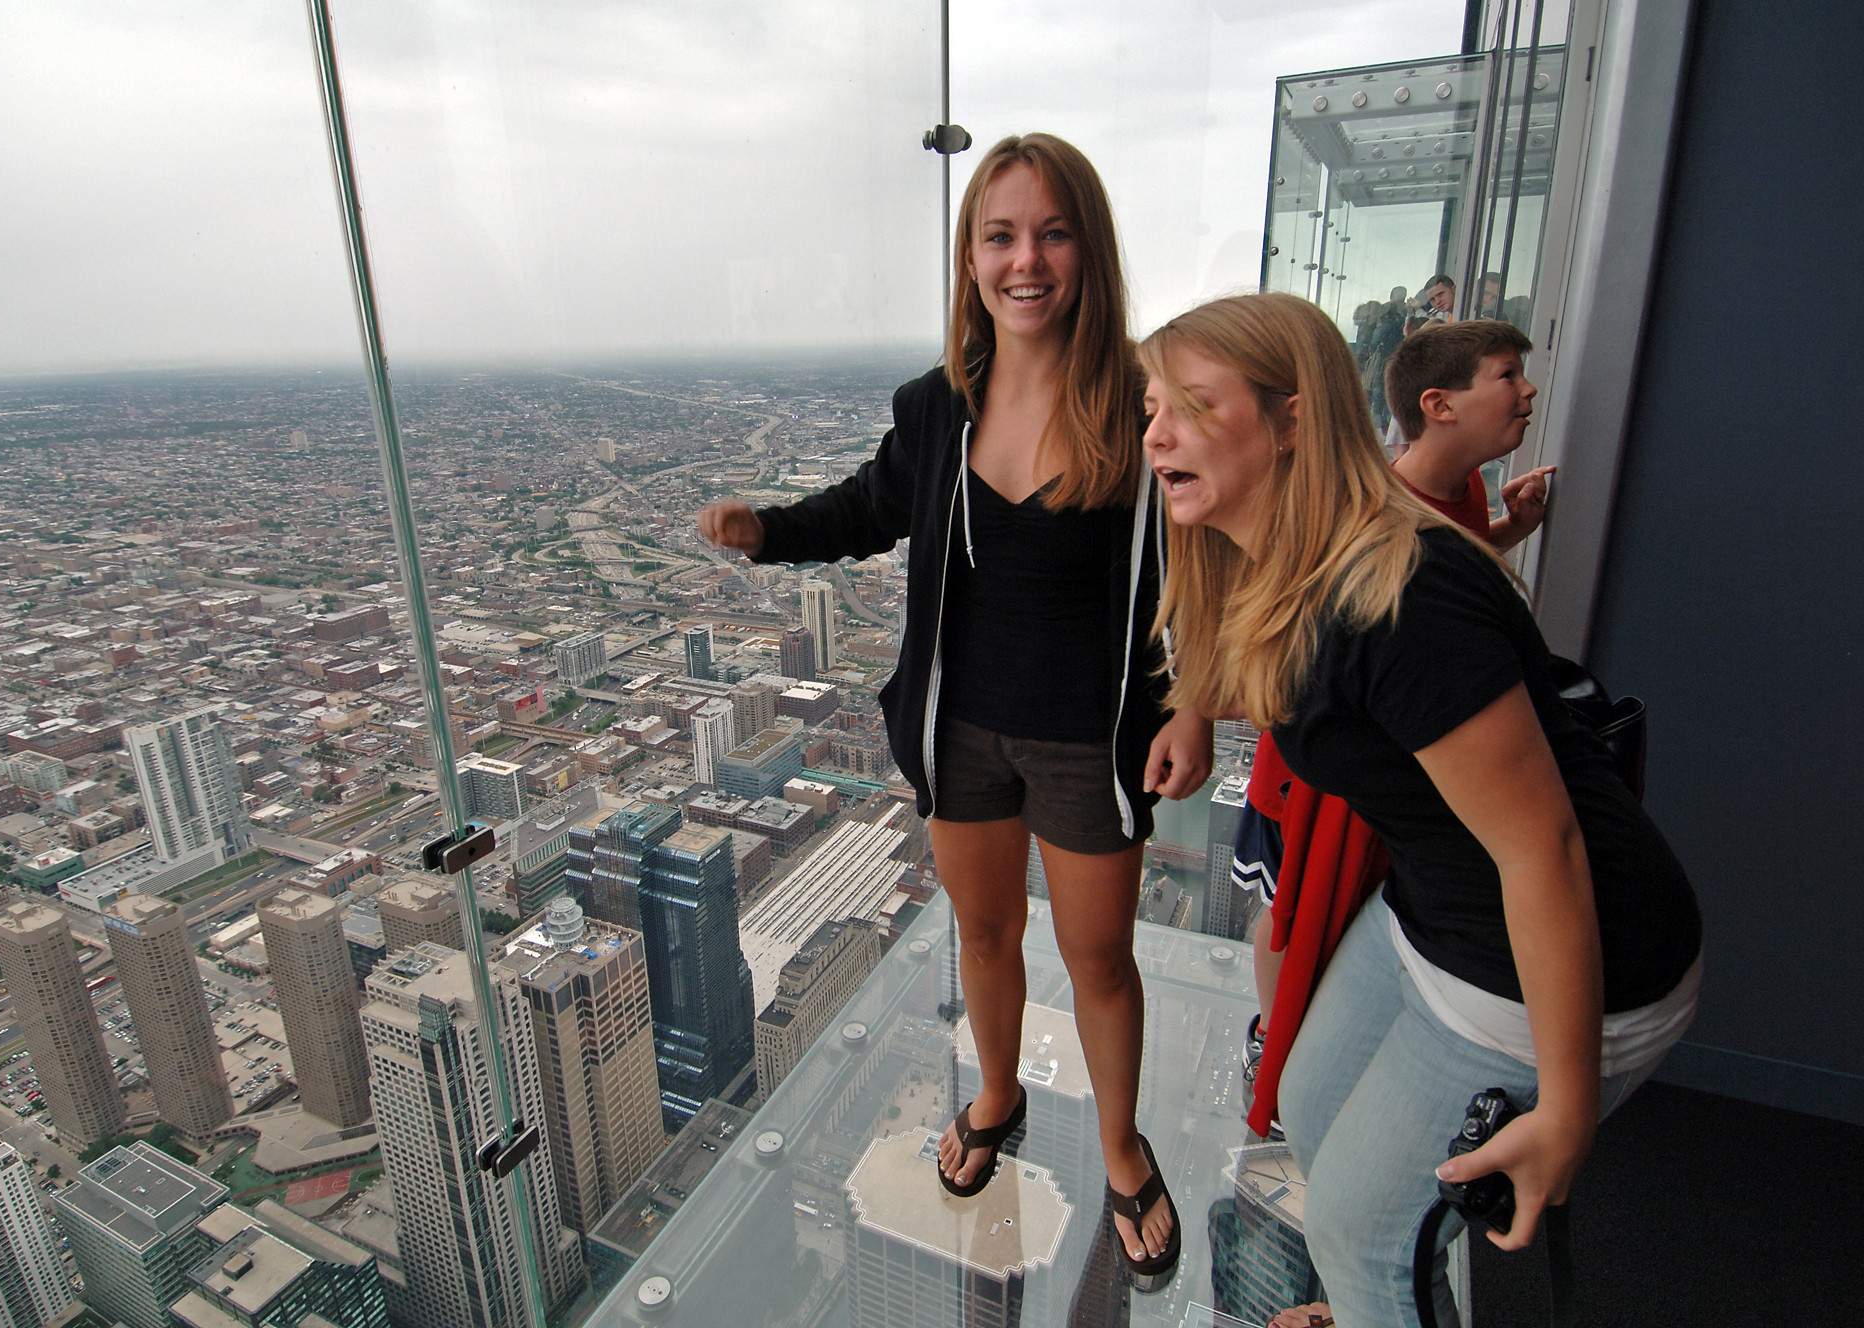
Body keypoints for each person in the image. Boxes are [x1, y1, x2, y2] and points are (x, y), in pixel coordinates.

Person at [697, 132, 1210, 1279]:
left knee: (1099, 962)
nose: (1025, 259)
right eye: (999, 235)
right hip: (959, 730)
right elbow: (873, 504)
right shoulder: (938, 407)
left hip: (1092, 736)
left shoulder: (1140, 400)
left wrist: (1198, 704)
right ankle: (993, 1091)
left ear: (1088, 247)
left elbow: (1212, 557)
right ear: (970, 260)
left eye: (1050, 231)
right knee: (982, 933)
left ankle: (1122, 1149)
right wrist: (769, 531)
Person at [1141, 292, 1702, 1326]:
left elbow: (1544, 847)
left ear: (1293, 420)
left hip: (1558, 952)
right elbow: (1289, 673)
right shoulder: (1287, 565)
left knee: (1359, 1230)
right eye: (1150, 406)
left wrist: (1568, 1110)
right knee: (1306, 1108)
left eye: (1188, 403)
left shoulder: (1397, 598)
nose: (1155, 433)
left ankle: (1372, 1295)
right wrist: (1184, 707)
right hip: (1434, 908)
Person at [1385, 318, 1557, 550]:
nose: (1530, 389)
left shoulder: (1467, 479)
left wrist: (1517, 525)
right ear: (1441, 406)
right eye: (1508, 375)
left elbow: (1460, 559)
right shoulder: (1387, 522)